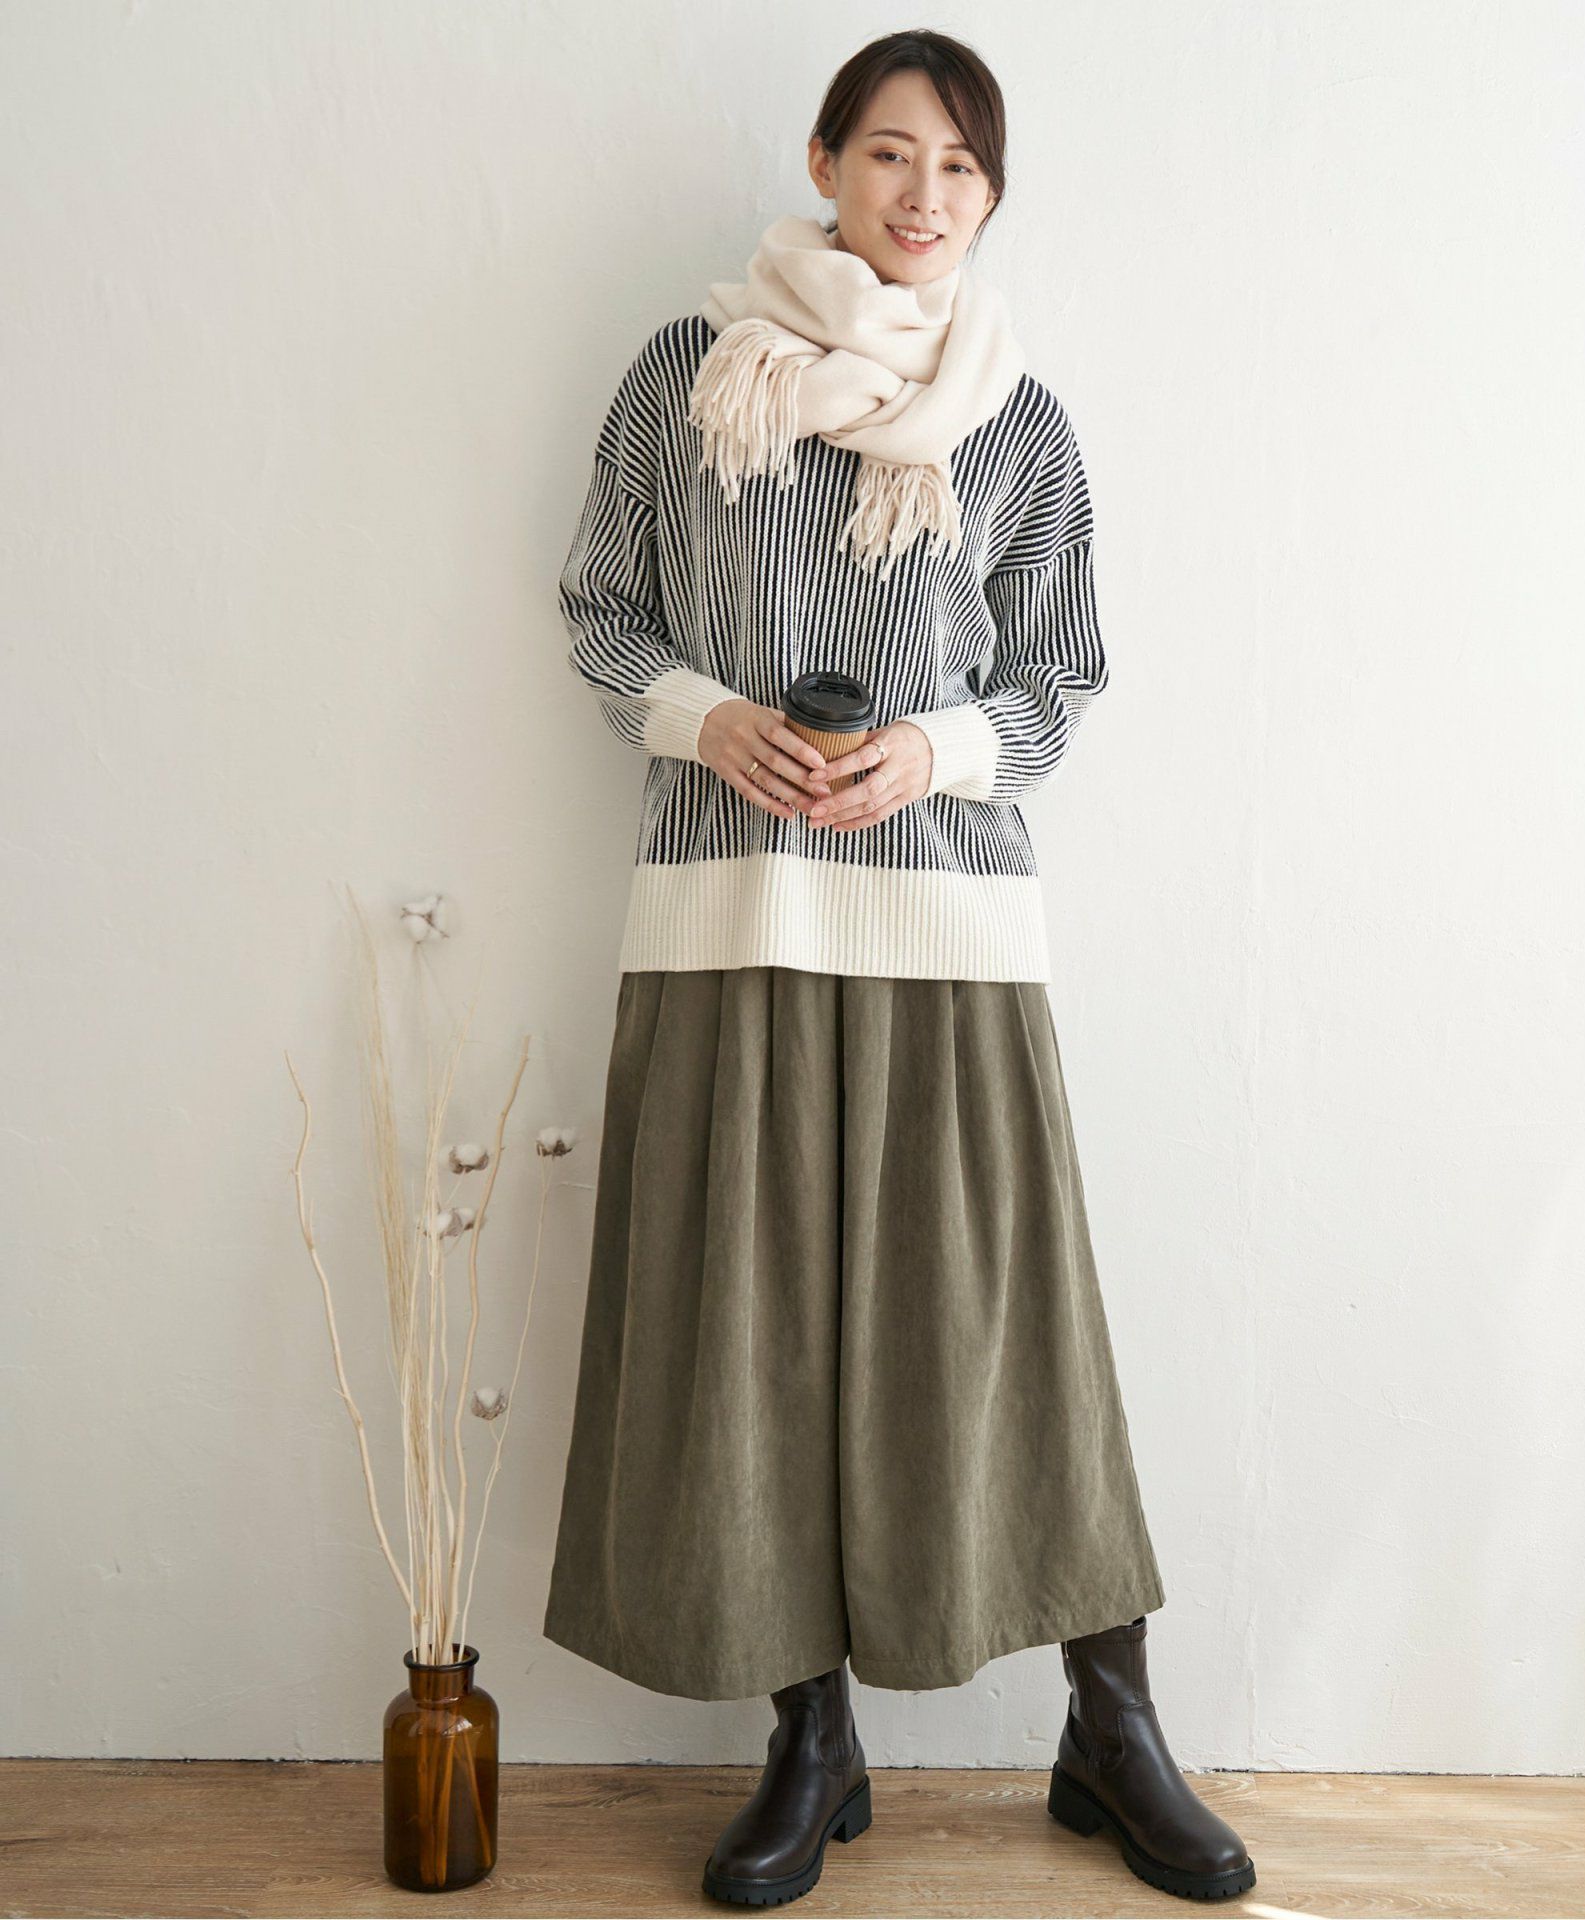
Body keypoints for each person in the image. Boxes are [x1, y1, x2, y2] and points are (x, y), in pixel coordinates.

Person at [542, 27, 1256, 1908]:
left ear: (989, 197)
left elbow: (1061, 681)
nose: (921, 194)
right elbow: (601, 613)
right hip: (732, 913)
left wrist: (926, 752)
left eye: (957, 167)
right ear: (825, 162)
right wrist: (708, 721)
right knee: (756, 1334)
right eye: (887, 153)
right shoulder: (691, 378)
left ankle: (1110, 1724)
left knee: (1011, 1332)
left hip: (950, 925)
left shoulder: (1014, 419)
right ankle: (812, 1739)